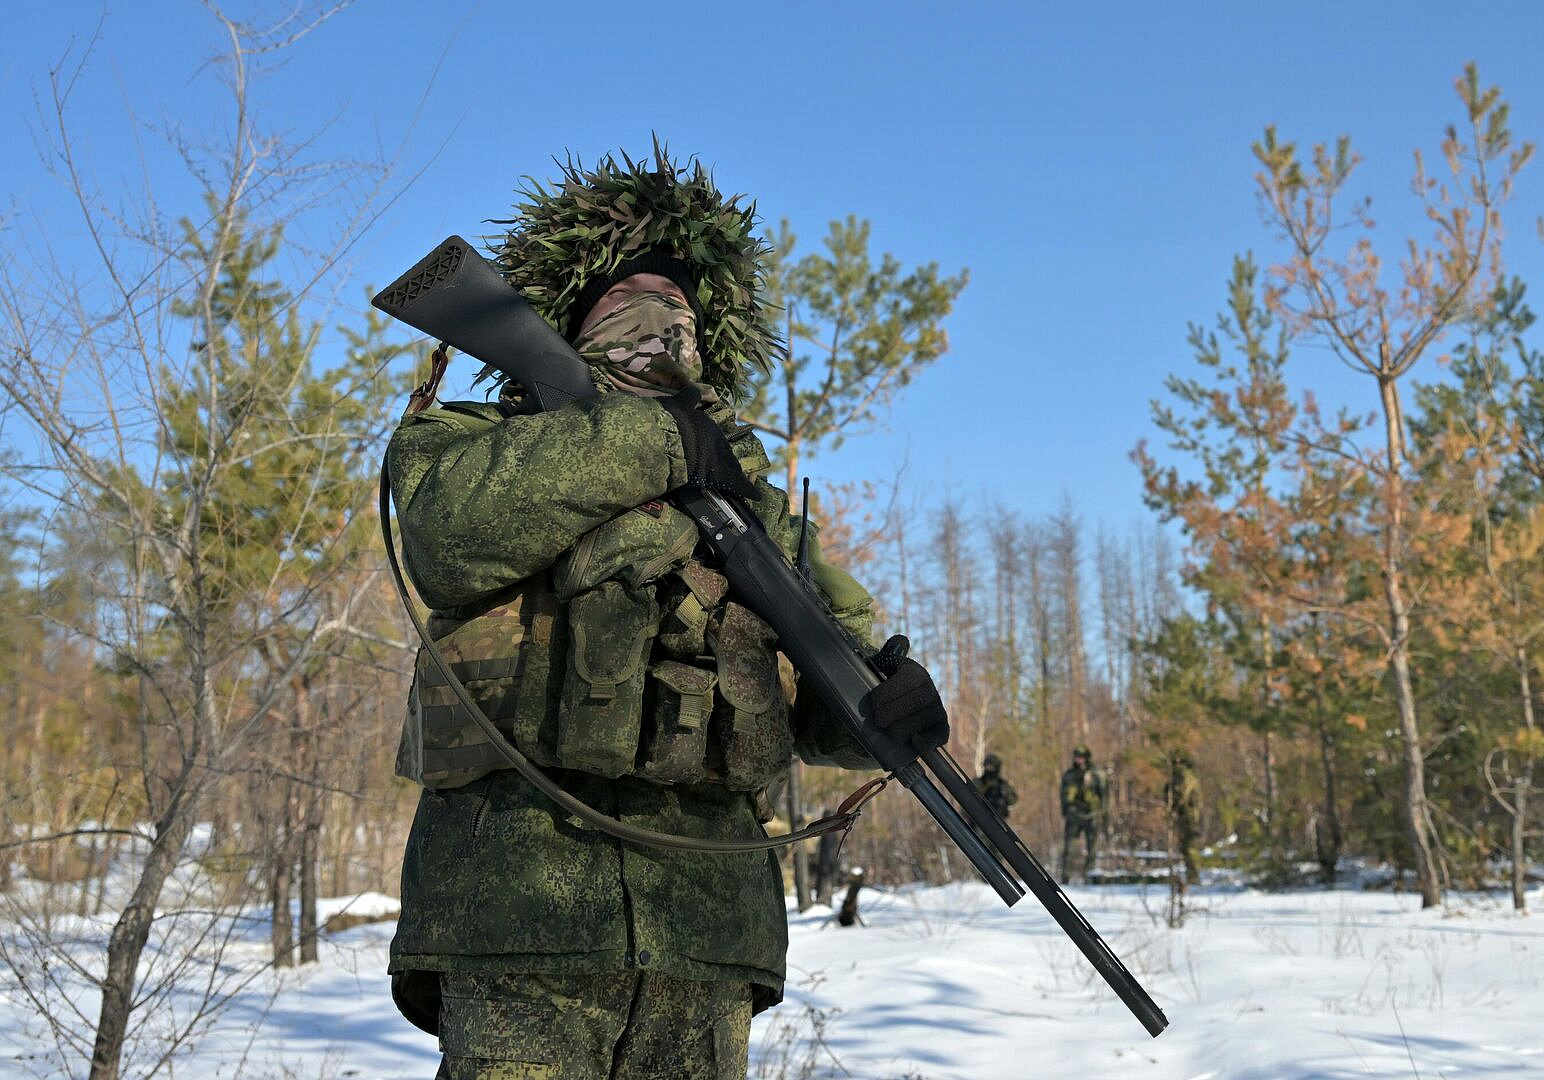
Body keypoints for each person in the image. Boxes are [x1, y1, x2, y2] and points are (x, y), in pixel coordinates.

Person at [383, 149, 948, 1080]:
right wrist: (662, 436)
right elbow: (448, 540)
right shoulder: (470, 441)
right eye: (628, 293)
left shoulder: (754, 511)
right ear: (564, 325)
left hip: (706, 934)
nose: (662, 313)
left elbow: (823, 689)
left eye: (678, 297)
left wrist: (893, 707)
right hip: (517, 921)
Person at [1058, 744, 1106, 883]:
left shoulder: (1096, 775)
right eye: (1077, 757)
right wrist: (1066, 812)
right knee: (1070, 850)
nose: (1079, 760)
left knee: (1092, 850)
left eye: (1081, 757)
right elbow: (1063, 796)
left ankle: (1089, 878)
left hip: (1092, 815)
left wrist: (1101, 813)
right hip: (1074, 816)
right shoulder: (1070, 775)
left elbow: (1104, 795)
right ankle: (1065, 878)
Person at [1164, 749, 1202, 886]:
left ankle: (1193, 877)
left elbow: (1180, 794)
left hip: (1187, 816)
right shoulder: (1190, 774)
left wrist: (1172, 807)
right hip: (1189, 815)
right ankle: (1192, 876)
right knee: (1188, 846)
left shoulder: (1182, 774)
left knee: (1188, 847)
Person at [973, 752, 1018, 820]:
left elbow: (1012, 800)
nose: (990, 769)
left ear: (997, 768)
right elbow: (969, 798)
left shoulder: (1002, 785)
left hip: (996, 822)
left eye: (992, 767)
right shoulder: (978, 782)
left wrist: (1005, 794)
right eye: (988, 766)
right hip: (978, 819)